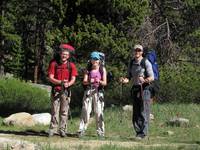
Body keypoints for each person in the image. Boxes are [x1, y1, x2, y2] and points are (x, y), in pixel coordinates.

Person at [120, 44, 154, 139]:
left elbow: (152, 77)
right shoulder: (131, 63)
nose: (137, 52)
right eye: (135, 50)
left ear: (142, 52)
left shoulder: (146, 62)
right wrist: (124, 80)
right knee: (136, 112)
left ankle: (144, 133)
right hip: (135, 89)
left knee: (144, 111)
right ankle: (138, 132)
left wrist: (145, 80)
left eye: (139, 50)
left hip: (145, 89)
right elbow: (128, 77)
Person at [47, 43, 78, 137]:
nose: (64, 56)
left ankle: (62, 130)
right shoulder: (54, 64)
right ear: (60, 54)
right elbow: (50, 78)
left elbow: (73, 78)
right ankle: (53, 129)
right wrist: (60, 82)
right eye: (63, 54)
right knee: (54, 111)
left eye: (66, 54)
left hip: (66, 91)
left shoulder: (71, 65)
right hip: (56, 90)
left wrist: (68, 83)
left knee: (64, 111)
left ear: (68, 56)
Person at [78, 51, 107, 137]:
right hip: (89, 91)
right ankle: (81, 130)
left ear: (99, 60)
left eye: (96, 59)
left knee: (98, 112)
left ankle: (100, 132)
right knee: (86, 110)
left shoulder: (102, 69)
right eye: (93, 59)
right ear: (90, 60)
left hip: (99, 92)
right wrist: (89, 81)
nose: (94, 61)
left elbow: (105, 83)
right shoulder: (88, 69)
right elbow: (84, 81)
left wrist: (99, 81)